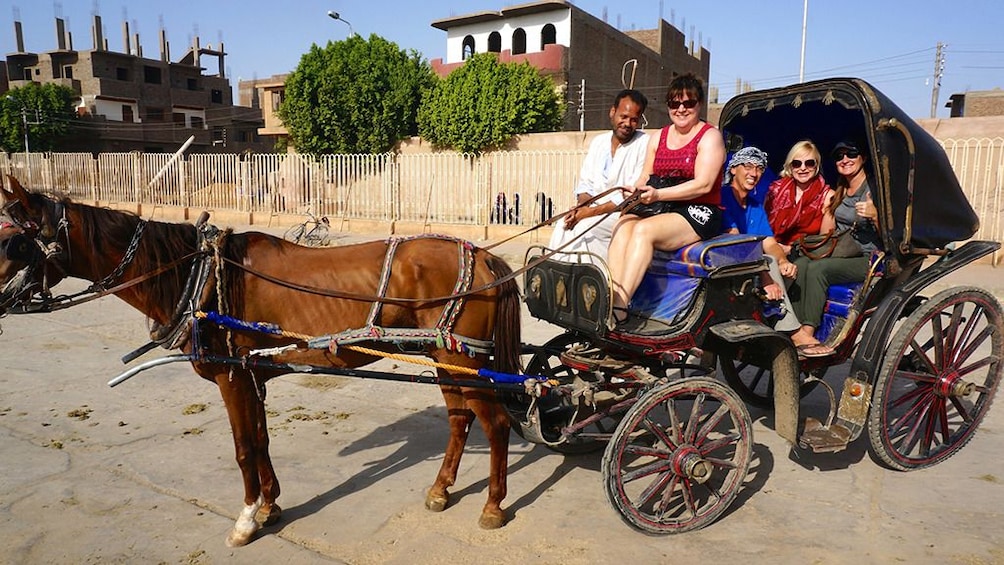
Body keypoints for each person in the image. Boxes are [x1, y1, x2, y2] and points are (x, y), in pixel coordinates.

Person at [606, 73, 725, 320]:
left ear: (699, 105)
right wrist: (634, 191)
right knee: (623, 225)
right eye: (674, 103)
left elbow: (703, 185)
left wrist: (659, 193)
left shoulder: (710, 136)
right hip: (664, 207)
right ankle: (612, 295)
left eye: (688, 103)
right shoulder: (658, 136)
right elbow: (645, 176)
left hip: (699, 211)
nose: (681, 109)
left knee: (644, 231)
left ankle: (619, 307)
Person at [787, 139, 882, 356]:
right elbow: (828, 233)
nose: (845, 159)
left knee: (819, 269)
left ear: (863, 158)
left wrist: (875, 215)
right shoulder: (840, 188)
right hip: (843, 250)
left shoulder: (874, 189)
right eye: (839, 156)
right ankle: (795, 328)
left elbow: (891, 234)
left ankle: (808, 330)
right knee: (801, 263)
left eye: (851, 154)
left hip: (870, 257)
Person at [548, 89, 649, 262]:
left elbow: (628, 196)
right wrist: (581, 207)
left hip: (622, 214)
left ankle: (597, 285)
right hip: (590, 209)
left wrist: (587, 213)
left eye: (633, 120)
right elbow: (585, 184)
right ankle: (558, 279)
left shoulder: (644, 143)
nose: (627, 123)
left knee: (585, 227)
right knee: (562, 225)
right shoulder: (598, 142)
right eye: (623, 117)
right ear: (612, 112)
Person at [719, 147, 800, 332]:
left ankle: (768, 313)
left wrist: (783, 261)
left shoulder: (755, 206)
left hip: (747, 262)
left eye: (759, 168)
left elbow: (769, 242)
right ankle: (791, 329)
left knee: (785, 266)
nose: (754, 173)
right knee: (767, 262)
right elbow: (735, 241)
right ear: (733, 169)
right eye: (748, 166)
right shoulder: (723, 196)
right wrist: (765, 276)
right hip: (726, 260)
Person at [765, 140, 834, 255]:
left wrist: (791, 250)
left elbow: (824, 241)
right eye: (797, 163)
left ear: (816, 166)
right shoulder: (774, 191)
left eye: (809, 163)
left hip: (806, 252)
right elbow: (762, 227)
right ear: (790, 166)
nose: (803, 168)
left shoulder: (828, 196)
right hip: (771, 248)